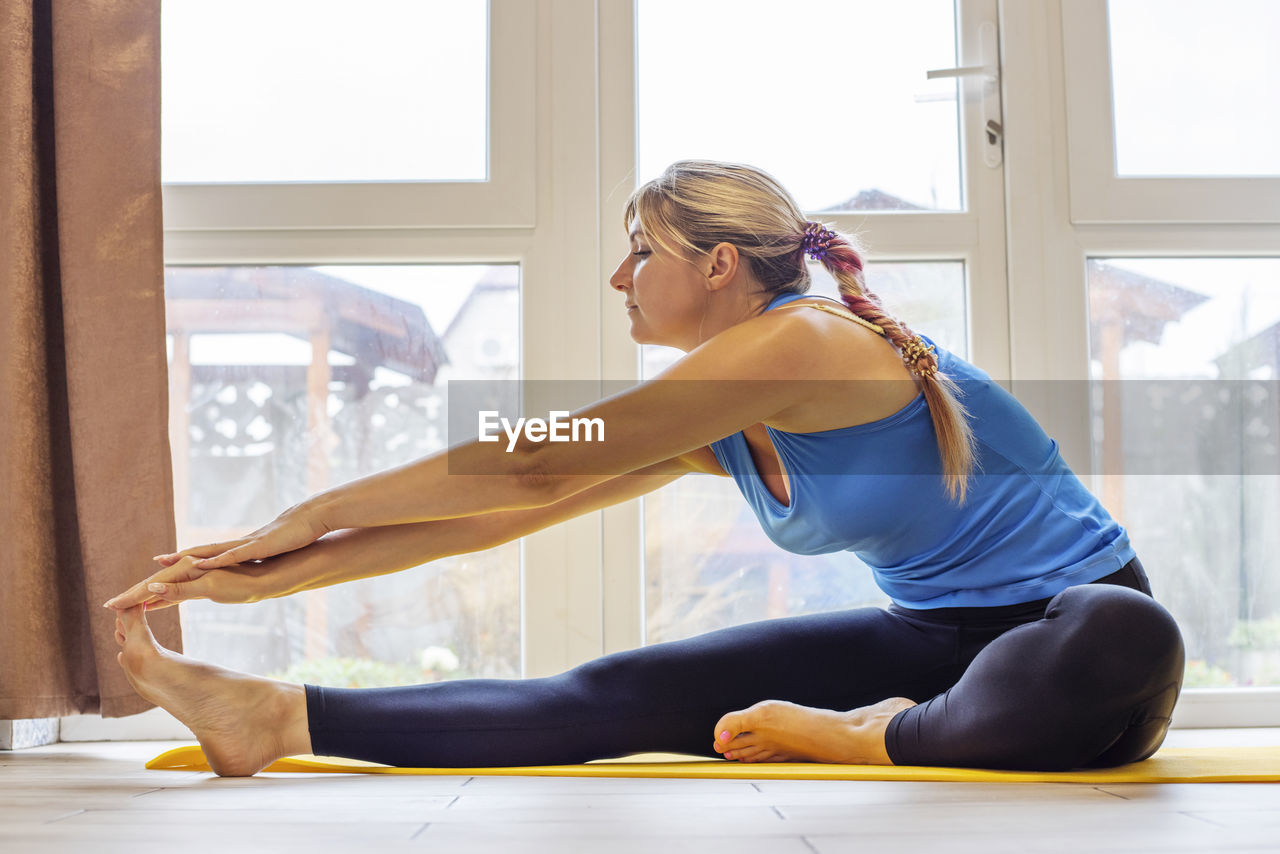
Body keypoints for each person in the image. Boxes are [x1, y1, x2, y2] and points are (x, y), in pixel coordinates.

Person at [105, 160, 1184, 778]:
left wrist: (307, 510)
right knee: (616, 691)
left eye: (641, 250)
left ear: (718, 266)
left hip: (1063, 638)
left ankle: (872, 735)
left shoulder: (797, 341)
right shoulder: (721, 409)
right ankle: (279, 717)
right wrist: (267, 572)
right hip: (931, 648)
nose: (616, 274)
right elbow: (501, 514)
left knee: (1124, 633)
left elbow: (532, 461)